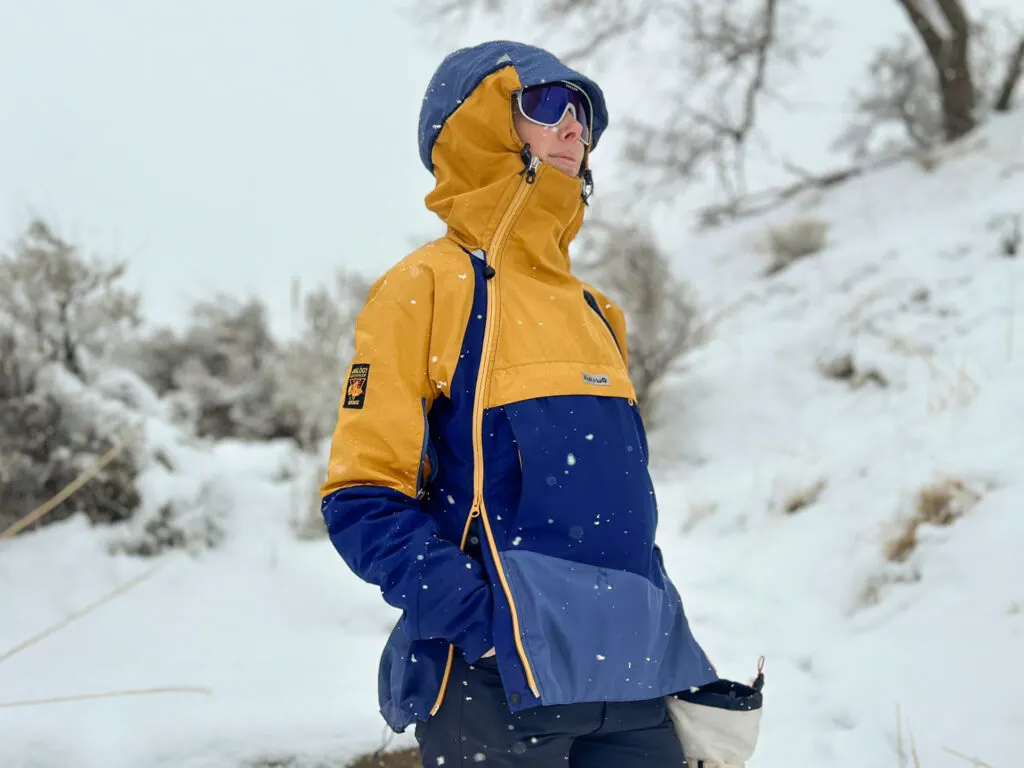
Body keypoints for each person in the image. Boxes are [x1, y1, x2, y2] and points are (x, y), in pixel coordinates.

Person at [320, 40, 717, 767]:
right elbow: (361, 499)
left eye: (584, 113)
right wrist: (486, 623)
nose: (574, 127)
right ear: (477, 126)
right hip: (497, 685)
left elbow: (624, 511)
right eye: (545, 104)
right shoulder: (424, 289)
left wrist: (661, 625)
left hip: (632, 679)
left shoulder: (599, 312)